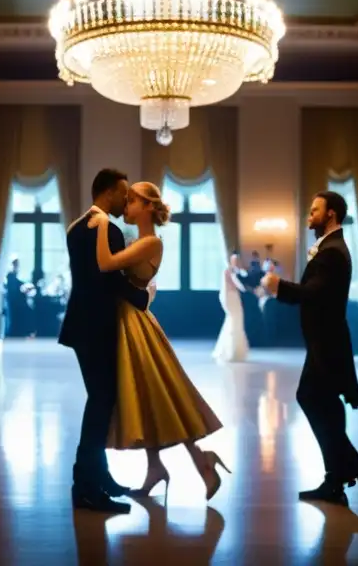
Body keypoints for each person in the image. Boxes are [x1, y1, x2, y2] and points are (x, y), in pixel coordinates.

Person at [90, 181, 226, 502]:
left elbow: (106, 264)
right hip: (130, 321)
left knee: (157, 394)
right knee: (148, 397)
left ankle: (196, 460)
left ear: (149, 206)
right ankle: (162, 466)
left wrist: (100, 225)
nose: (127, 203)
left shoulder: (150, 242)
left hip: (135, 325)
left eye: (133, 199)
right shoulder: (140, 240)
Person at [262, 191, 358, 506]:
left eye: (314, 211)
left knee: (312, 398)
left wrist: (278, 286)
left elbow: (315, 294)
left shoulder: (333, 252)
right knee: (325, 403)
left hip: (328, 342)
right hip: (325, 340)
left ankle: (341, 472)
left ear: (331, 214)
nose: (309, 216)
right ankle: (336, 477)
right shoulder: (331, 248)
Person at [59, 169, 153, 514]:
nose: (126, 201)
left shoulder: (76, 225)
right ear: (109, 192)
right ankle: (85, 487)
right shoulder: (106, 228)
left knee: (99, 401)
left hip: (82, 325)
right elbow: (108, 279)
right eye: (123, 194)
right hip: (97, 327)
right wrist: (143, 297)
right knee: (100, 404)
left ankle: (99, 476)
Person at [213, 252, 249, 363]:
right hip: (231, 297)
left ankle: (234, 350)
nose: (236, 262)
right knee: (234, 319)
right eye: (234, 260)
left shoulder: (235, 271)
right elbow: (236, 285)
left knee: (234, 320)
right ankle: (231, 351)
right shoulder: (228, 271)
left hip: (234, 296)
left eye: (237, 260)